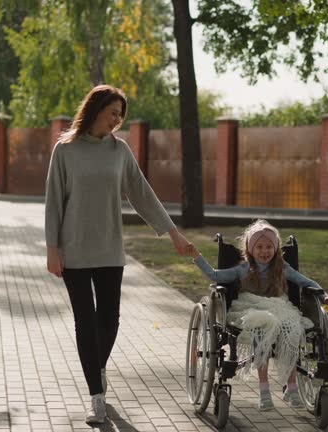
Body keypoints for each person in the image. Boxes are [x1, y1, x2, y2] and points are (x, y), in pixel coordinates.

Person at [45, 85, 193, 425]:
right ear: (96, 109)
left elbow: (142, 194)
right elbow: (54, 201)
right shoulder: (64, 150)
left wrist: (173, 234)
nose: (117, 120)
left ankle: (95, 368)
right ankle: (96, 396)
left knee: (109, 320)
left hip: (111, 249)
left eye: (120, 115)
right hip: (75, 251)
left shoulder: (119, 150)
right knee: (85, 321)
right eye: (113, 112)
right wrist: (52, 249)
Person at [188, 219, 328, 411]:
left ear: (276, 249)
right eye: (259, 246)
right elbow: (215, 276)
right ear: (250, 249)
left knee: (291, 328)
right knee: (263, 324)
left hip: (279, 306)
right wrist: (196, 256)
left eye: (269, 246)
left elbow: (305, 281)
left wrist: (324, 296)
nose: (264, 251)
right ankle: (264, 389)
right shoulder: (243, 269)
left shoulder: (282, 268)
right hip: (250, 307)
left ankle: (292, 388)